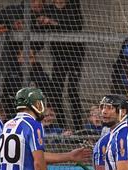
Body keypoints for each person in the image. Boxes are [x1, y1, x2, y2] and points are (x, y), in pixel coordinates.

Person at [43, 0, 85, 131]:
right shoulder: (49, 9)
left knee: (72, 91)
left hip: (74, 55)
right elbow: (44, 26)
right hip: (58, 55)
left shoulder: (73, 7)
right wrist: (45, 22)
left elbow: (76, 25)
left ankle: (78, 128)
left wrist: (54, 22)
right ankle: (61, 127)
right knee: (56, 92)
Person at [1, 45, 51, 119]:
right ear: (19, 58)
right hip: (14, 110)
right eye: (24, 58)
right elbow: (8, 93)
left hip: (36, 111)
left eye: (30, 58)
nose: (27, 61)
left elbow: (47, 90)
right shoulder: (12, 74)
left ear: (34, 59)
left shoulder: (40, 73)